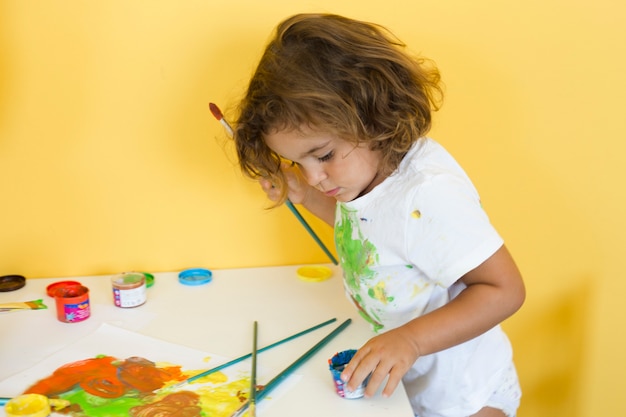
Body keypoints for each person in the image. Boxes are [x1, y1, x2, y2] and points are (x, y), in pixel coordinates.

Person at [231, 13, 525, 417]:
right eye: (297, 163)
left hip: (467, 395)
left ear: (370, 116)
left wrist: (412, 341)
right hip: (404, 383)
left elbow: (504, 290)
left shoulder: (427, 194)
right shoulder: (364, 178)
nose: (314, 177)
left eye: (323, 156)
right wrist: (300, 194)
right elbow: (368, 231)